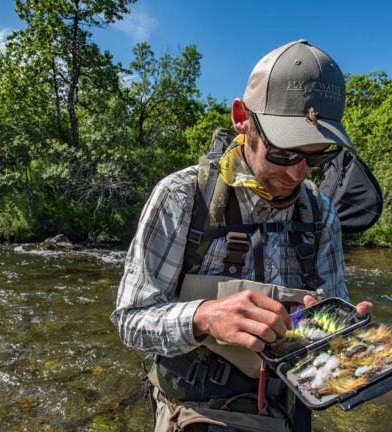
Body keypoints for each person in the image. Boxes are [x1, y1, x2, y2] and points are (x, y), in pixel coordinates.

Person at [111, 39, 372, 431]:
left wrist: (349, 334)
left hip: (285, 406)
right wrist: (203, 317)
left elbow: (332, 310)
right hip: (196, 405)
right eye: (284, 153)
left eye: (317, 157)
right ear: (242, 118)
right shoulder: (181, 198)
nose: (298, 173)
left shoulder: (322, 213)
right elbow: (130, 321)